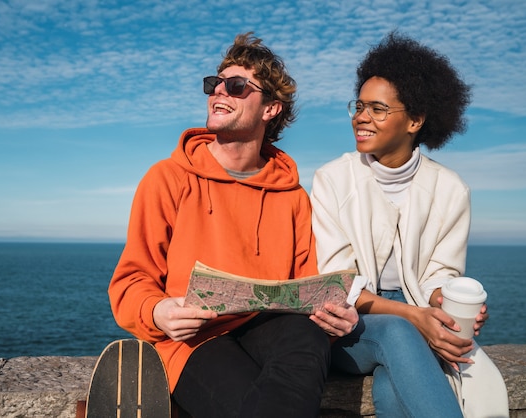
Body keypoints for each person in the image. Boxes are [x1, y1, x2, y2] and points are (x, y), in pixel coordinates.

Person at [108, 32, 358, 418]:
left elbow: (307, 286)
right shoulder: (167, 178)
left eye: (237, 86)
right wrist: (158, 312)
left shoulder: (292, 195)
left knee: (308, 336)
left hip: (271, 329)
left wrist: (334, 315)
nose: (218, 92)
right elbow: (130, 282)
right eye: (215, 83)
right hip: (195, 339)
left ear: (271, 108)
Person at [311, 31, 509, 418]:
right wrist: (417, 318)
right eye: (359, 105)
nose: (361, 117)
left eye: (378, 109)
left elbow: (440, 274)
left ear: (415, 120)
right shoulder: (332, 179)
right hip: (348, 327)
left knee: (391, 389)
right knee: (400, 334)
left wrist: (444, 304)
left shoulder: (451, 189)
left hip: (415, 320)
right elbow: (338, 285)